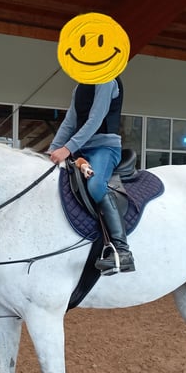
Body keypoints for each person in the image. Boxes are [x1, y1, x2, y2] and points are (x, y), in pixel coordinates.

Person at [48, 76, 135, 274]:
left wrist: (67, 148)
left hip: (104, 148)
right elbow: (70, 121)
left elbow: (95, 120)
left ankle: (122, 251)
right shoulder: (80, 86)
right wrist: (53, 150)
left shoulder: (106, 81)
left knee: (96, 186)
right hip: (81, 149)